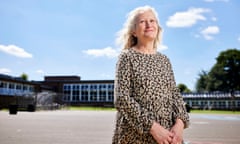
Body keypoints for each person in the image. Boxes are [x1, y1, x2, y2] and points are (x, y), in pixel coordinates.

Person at [112, 5, 190, 144]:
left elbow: (175, 95)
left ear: (158, 27)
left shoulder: (164, 60)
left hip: (169, 137)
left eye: (152, 21)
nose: (149, 24)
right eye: (142, 22)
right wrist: (153, 128)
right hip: (135, 137)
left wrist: (179, 124)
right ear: (134, 32)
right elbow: (122, 98)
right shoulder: (127, 57)